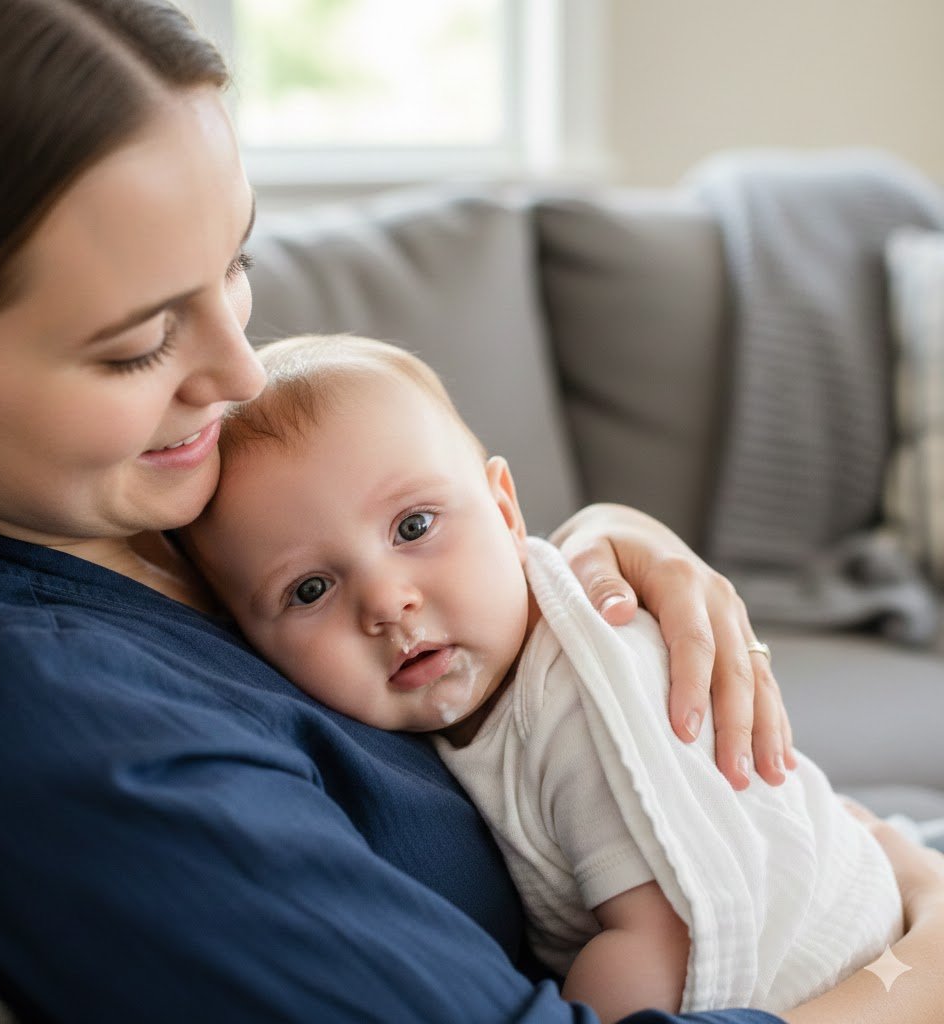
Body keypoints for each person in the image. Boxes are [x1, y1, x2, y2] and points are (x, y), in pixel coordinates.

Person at [0, 2, 941, 1022]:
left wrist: (587, 559)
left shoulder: (149, 516)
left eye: (234, 263)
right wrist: (915, 971)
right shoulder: (82, 739)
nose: (237, 372)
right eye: (138, 343)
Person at [183, 334, 904, 1023]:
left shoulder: (574, 698)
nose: (386, 602)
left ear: (504, 508)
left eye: (413, 527)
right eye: (310, 590)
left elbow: (661, 941)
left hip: (841, 958)